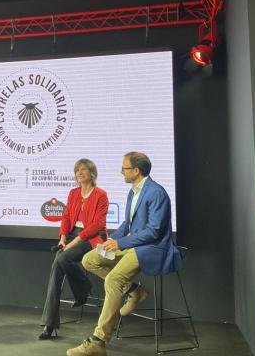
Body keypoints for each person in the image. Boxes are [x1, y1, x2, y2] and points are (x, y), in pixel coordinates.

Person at [67, 152, 182, 356]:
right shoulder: (133, 192)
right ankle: (134, 290)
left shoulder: (156, 193)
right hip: (133, 244)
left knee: (113, 279)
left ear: (136, 171)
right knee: (89, 259)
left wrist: (121, 242)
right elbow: (127, 225)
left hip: (151, 248)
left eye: (124, 168)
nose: (122, 172)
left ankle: (98, 341)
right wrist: (112, 241)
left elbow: (154, 231)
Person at [39, 159, 109, 340]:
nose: (79, 173)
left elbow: (98, 224)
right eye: (77, 170)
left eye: (83, 170)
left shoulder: (101, 195)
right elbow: (67, 216)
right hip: (71, 236)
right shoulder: (73, 193)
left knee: (61, 260)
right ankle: (81, 289)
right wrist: (63, 237)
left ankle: (49, 324)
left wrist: (76, 240)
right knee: (58, 264)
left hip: (90, 238)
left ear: (91, 173)